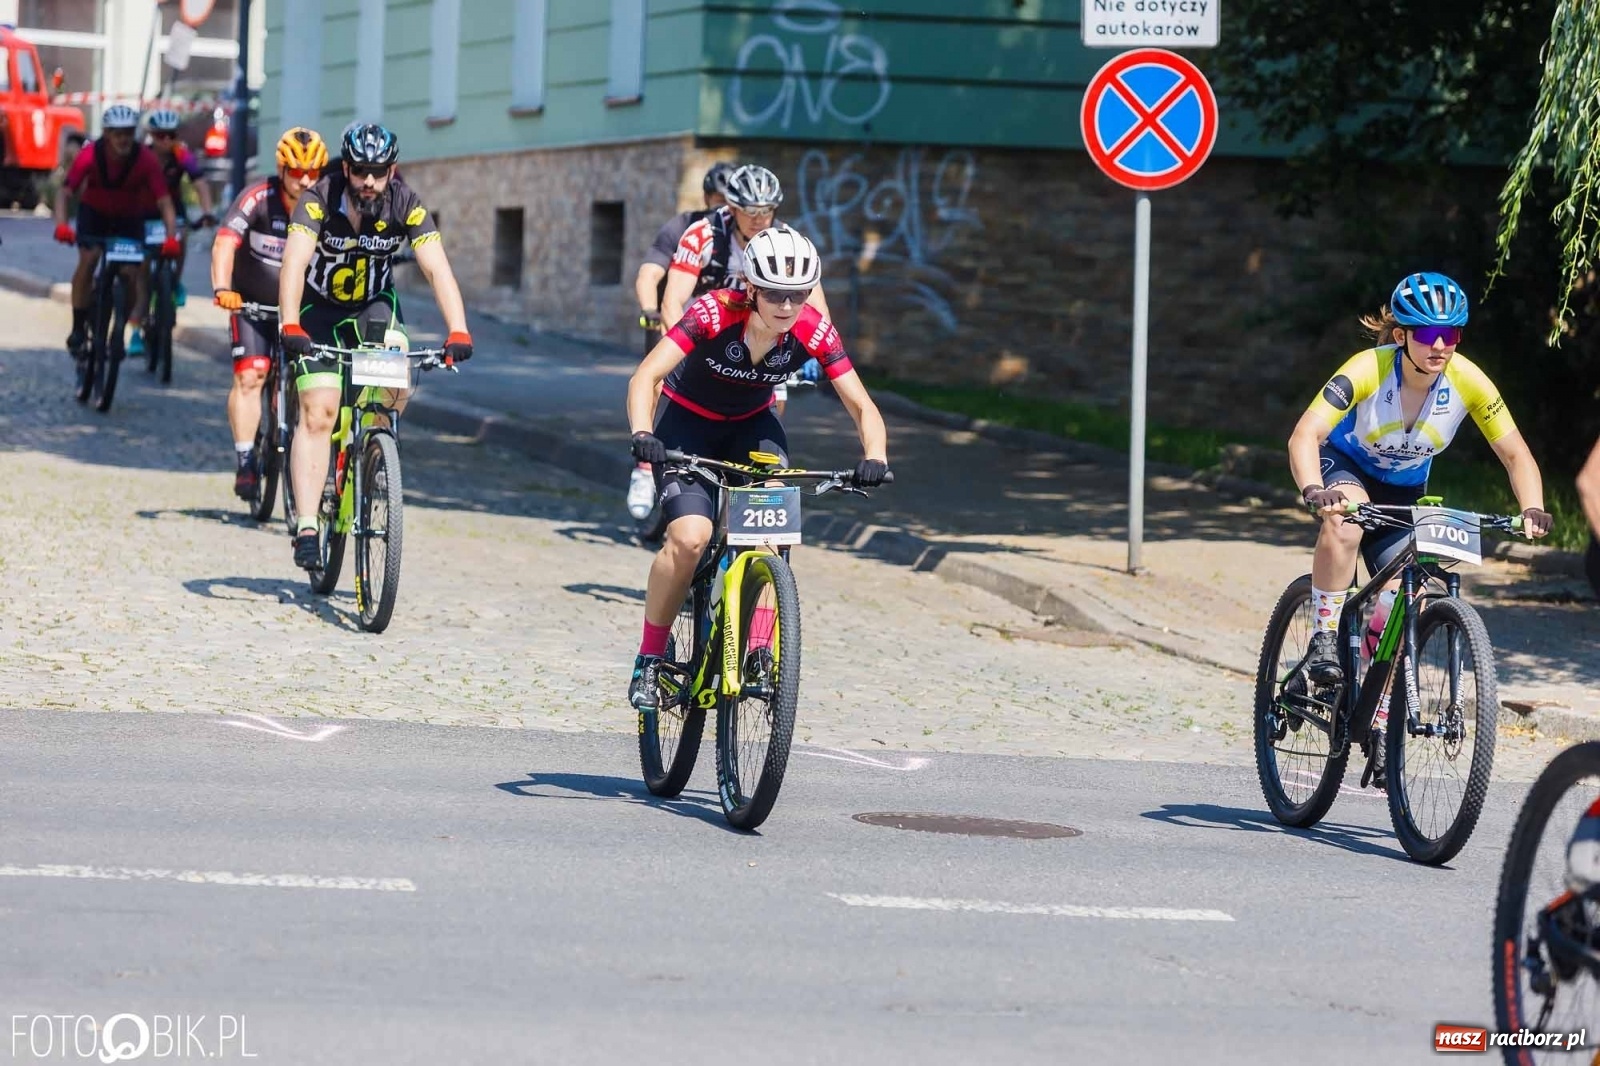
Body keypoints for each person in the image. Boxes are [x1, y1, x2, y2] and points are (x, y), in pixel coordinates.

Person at [623, 227, 889, 710]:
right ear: (751, 288)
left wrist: (875, 456)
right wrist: (644, 435)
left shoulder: (812, 329)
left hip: (754, 428)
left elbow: (861, 405)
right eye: (774, 294)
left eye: (797, 295)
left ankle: (760, 652)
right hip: (688, 426)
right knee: (689, 538)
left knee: (770, 533)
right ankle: (650, 658)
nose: (786, 306)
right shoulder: (712, 312)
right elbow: (647, 375)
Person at [1287, 272, 1551, 688]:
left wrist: (1532, 508)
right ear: (1401, 335)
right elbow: (1305, 434)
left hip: (1404, 487)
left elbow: (1515, 453)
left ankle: (1370, 686)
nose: (1440, 345)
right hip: (1344, 466)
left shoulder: (1468, 381)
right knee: (1345, 525)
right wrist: (1313, 488)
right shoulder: (1367, 368)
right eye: (1428, 333)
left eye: (1451, 334)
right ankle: (1323, 636)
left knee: (1410, 594)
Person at [277, 122, 473, 570]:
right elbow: (294, 262)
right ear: (346, 167)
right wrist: (290, 321)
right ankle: (308, 525)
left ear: (392, 170)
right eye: (361, 170)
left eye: (378, 171)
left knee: (397, 384)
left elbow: (436, 268)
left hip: (374, 309)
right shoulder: (317, 200)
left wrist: (458, 328)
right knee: (319, 410)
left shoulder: (406, 203)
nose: (369, 180)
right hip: (319, 313)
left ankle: (374, 453)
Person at [212, 127, 327, 500]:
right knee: (252, 375)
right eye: (296, 172)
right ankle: (246, 460)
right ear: (281, 169)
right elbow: (225, 244)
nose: (305, 180)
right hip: (252, 305)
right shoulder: (258, 197)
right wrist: (222, 288)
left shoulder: (326, 205)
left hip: (303, 312)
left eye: (313, 172)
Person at [661, 163, 828, 420]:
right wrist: (687, 352)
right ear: (732, 208)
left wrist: (814, 354)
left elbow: (815, 306)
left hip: (760, 338)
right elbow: (672, 301)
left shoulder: (788, 243)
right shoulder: (703, 236)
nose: (759, 219)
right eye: (750, 211)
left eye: (767, 210)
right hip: (705, 335)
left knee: (772, 404)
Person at [626, 160, 736, 522]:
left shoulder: (745, 234)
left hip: (731, 334)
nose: (724, 207)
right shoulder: (684, 227)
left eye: (730, 199)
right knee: (655, 382)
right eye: (717, 199)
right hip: (678, 323)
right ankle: (644, 470)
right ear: (706, 197)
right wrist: (649, 308)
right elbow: (649, 273)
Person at [53, 104, 181, 361]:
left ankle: (122, 324)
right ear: (106, 134)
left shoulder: (145, 159)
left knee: (130, 273)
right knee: (88, 261)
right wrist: (62, 224)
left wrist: (170, 237)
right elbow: (65, 192)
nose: (123, 139)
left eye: (128, 133)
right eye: (117, 133)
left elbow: (164, 201)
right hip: (94, 215)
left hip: (128, 219)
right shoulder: (90, 154)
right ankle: (79, 327)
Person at [137, 107, 216, 333]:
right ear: (152, 136)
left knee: (180, 238)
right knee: (142, 262)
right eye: (161, 135)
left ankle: (175, 282)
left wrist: (207, 211)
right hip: (145, 209)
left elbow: (199, 183)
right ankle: (139, 315)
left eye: (172, 135)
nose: (167, 140)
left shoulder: (181, 155)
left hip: (174, 209)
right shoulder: (143, 155)